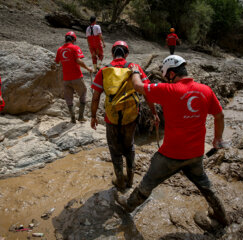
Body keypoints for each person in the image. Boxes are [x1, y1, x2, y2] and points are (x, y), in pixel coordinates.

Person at [116, 55, 230, 229]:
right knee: (205, 185)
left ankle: (128, 205)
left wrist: (135, 71)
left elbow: (138, 86)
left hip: (170, 154)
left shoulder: (168, 90)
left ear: (170, 73)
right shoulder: (206, 90)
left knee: (149, 182)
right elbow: (219, 115)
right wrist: (217, 138)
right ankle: (222, 216)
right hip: (196, 153)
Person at [91, 40, 159, 191]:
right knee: (129, 148)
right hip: (131, 117)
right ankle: (130, 180)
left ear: (112, 53)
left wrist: (93, 116)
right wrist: (154, 113)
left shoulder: (104, 70)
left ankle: (120, 181)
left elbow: (95, 97)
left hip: (111, 118)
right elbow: (147, 93)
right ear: (126, 54)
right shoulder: (135, 68)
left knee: (114, 150)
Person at [55, 31, 93, 123]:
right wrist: (88, 68)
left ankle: (72, 118)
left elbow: (57, 61)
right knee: (83, 93)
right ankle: (80, 116)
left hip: (66, 78)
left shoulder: (60, 49)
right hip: (76, 77)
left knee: (68, 98)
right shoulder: (75, 47)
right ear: (74, 40)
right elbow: (79, 61)